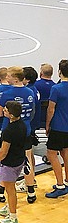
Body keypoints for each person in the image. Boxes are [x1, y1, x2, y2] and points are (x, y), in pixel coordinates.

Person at [0, 66, 37, 205]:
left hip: (9, 130)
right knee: (27, 160)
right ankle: (31, 191)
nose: (6, 78)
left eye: (8, 75)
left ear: (14, 77)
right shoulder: (30, 92)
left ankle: (1, 191)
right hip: (25, 129)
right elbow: (32, 112)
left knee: (6, 162)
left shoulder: (7, 93)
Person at [0, 100, 27, 223]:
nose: (4, 110)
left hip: (10, 163)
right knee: (10, 189)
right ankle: (8, 208)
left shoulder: (9, 131)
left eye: (6, 110)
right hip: (19, 160)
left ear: (11, 115)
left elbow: (4, 151)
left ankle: (13, 217)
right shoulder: (22, 125)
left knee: (10, 190)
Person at [45, 59, 68, 198]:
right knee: (66, 153)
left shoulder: (56, 89)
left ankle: (60, 185)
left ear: (59, 72)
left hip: (59, 127)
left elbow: (51, 109)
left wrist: (48, 125)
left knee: (52, 154)